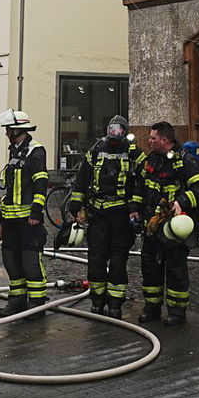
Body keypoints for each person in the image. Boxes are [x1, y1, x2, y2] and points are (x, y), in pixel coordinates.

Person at [138, 121, 199, 326]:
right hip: (152, 224)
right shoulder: (151, 159)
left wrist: (181, 201)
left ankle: (177, 312)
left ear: (165, 140)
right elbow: (141, 187)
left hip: (173, 227)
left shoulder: (184, 161)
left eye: (153, 138)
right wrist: (135, 209)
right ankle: (151, 308)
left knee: (176, 269)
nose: (149, 141)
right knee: (150, 268)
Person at [67, 115, 139, 316]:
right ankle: (97, 300)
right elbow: (83, 178)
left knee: (118, 261)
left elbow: (141, 182)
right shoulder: (96, 150)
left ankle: (115, 303)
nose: (114, 133)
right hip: (98, 214)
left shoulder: (133, 152)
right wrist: (76, 204)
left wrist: (136, 206)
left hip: (121, 217)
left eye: (118, 129)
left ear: (124, 131)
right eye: (111, 129)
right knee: (96, 260)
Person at [0, 108, 49, 317]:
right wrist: (1, 218)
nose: (6, 133)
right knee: (11, 260)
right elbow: (10, 190)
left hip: (28, 220)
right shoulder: (15, 150)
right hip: (10, 219)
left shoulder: (36, 151)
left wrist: (36, 212)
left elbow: (41, 183)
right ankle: (17, 300)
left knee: (30, 260)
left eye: (8, 129)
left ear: (17, 130)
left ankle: (37, 302)